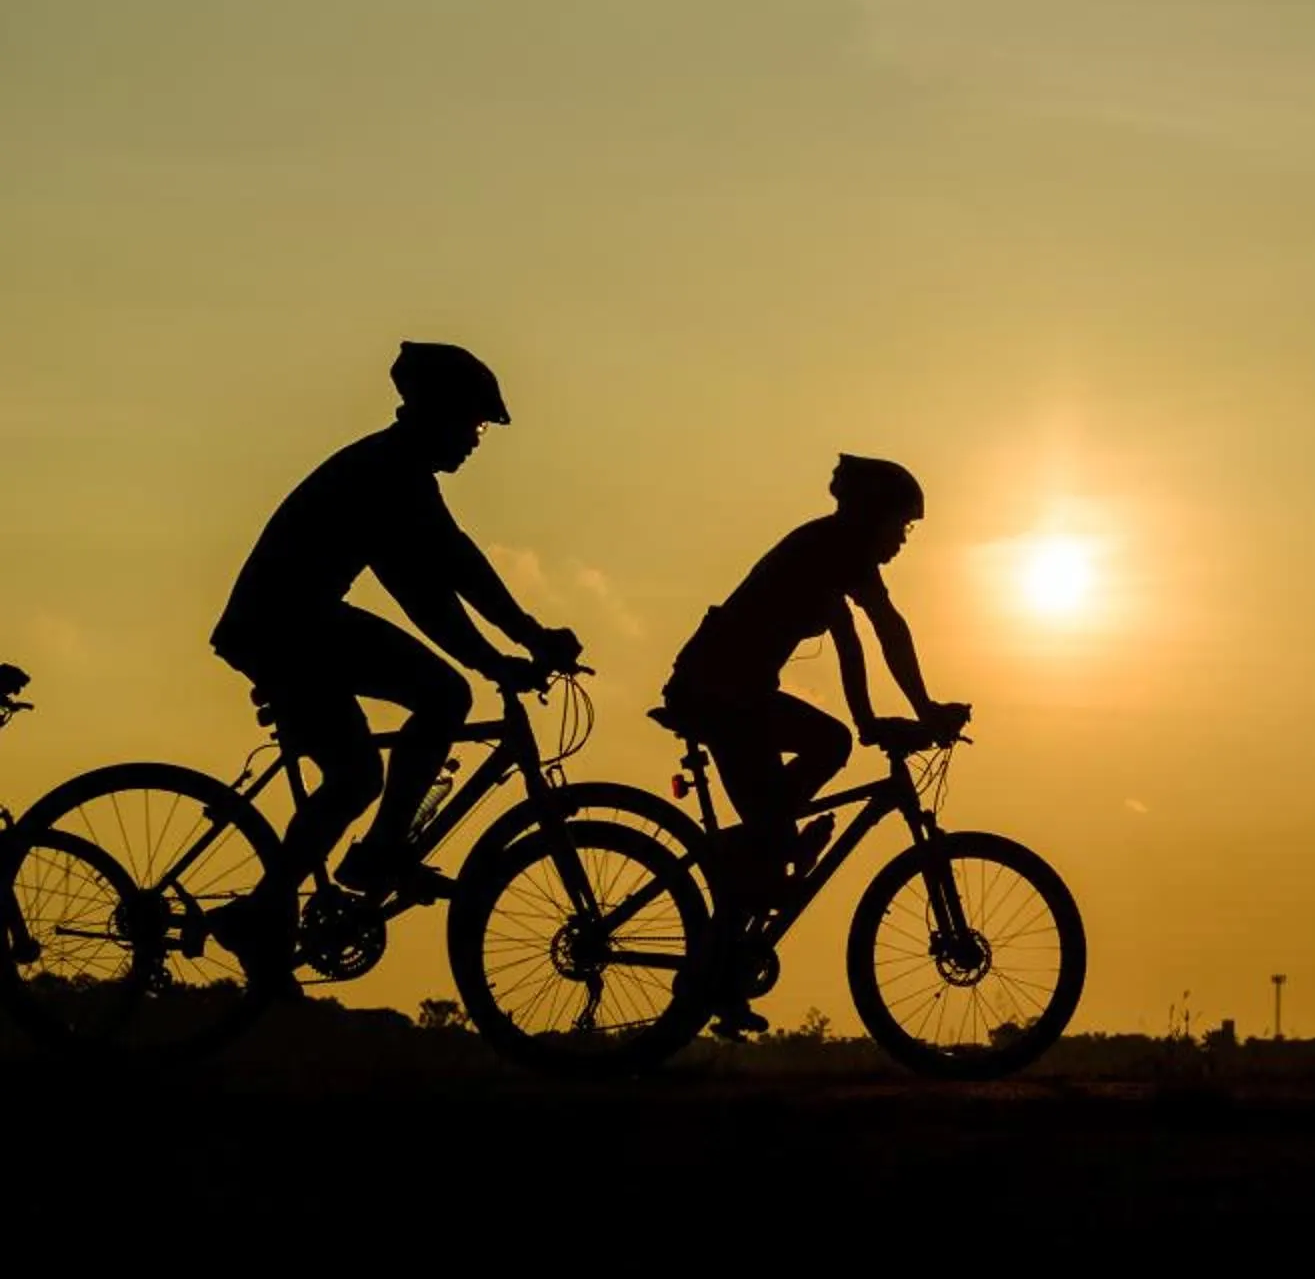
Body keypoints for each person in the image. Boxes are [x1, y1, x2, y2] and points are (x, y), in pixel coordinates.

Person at [208, 343, 581, 972]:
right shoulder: (389, 472)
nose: (476, 440)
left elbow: (453, 563)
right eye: (473, 424)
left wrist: (521, 639)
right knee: (434, 705)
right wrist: (507, 652)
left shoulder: (397, 469)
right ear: (437, 414)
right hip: (287, 626)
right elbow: (427, 591)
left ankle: (274, 908)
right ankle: (372, 855)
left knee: (357, 772)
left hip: (287, 623)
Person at [660, 453, 965, 1025]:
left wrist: (907, 712)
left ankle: (759, 855)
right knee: (814, 771)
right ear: (870, 516)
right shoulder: (827, 549)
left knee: (810, 775)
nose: (903, 539)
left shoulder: (841, 555)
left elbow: (875, 632)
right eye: (900, 525)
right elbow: (869, 635)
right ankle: (718, 956)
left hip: (736, 693)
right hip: (717, 693)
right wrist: (893, 717)